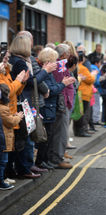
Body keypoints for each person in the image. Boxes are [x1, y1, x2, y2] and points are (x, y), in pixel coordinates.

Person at [9, 34, 56, 179]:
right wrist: (45, 71)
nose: (31, 47)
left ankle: (26, 167)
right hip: (22, 103)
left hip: (21, 103)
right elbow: (31, 82)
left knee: (24, 138)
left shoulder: (16, 60)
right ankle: (24, 169)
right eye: (29, 44)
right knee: (24, 139)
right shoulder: (20, 62)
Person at [35, 47, 75, 169]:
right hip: (49, 107)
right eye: (53, 60)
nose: (56, 63)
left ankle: (47, 161)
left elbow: (51, 88)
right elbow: (51, 90)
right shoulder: (46, 73)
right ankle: (47, 161)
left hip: (52, 106)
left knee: (50, 136)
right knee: (48, 137)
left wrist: (62, 83)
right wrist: (64, 84)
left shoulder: (49, 73)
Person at [47, 44, 75, 169]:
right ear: (63, 55)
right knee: (60, 132)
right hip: (61, 101)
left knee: (59, 131)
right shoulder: (60, 65)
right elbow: (63, 83)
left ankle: (56, 157)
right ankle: (56, 159)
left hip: (61, 101)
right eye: (68, 53)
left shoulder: (60, 65)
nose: (69, 56)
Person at [0, 84, 23, 190]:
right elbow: (10, 122)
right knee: (3, 162)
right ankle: (1, 181)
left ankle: (3, 178)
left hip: (4, 138)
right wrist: (18, 117)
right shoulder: (3, 108)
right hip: (3, 139)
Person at [73, 50, 97, 137]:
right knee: (82, 114)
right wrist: (94, 74)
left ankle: (77, 131)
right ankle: (81, 131)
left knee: (78, 113)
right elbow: (91, 79)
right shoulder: (82, 68)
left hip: (79, 92)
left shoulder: (75, 67)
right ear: (82, 59)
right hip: (84, 94)